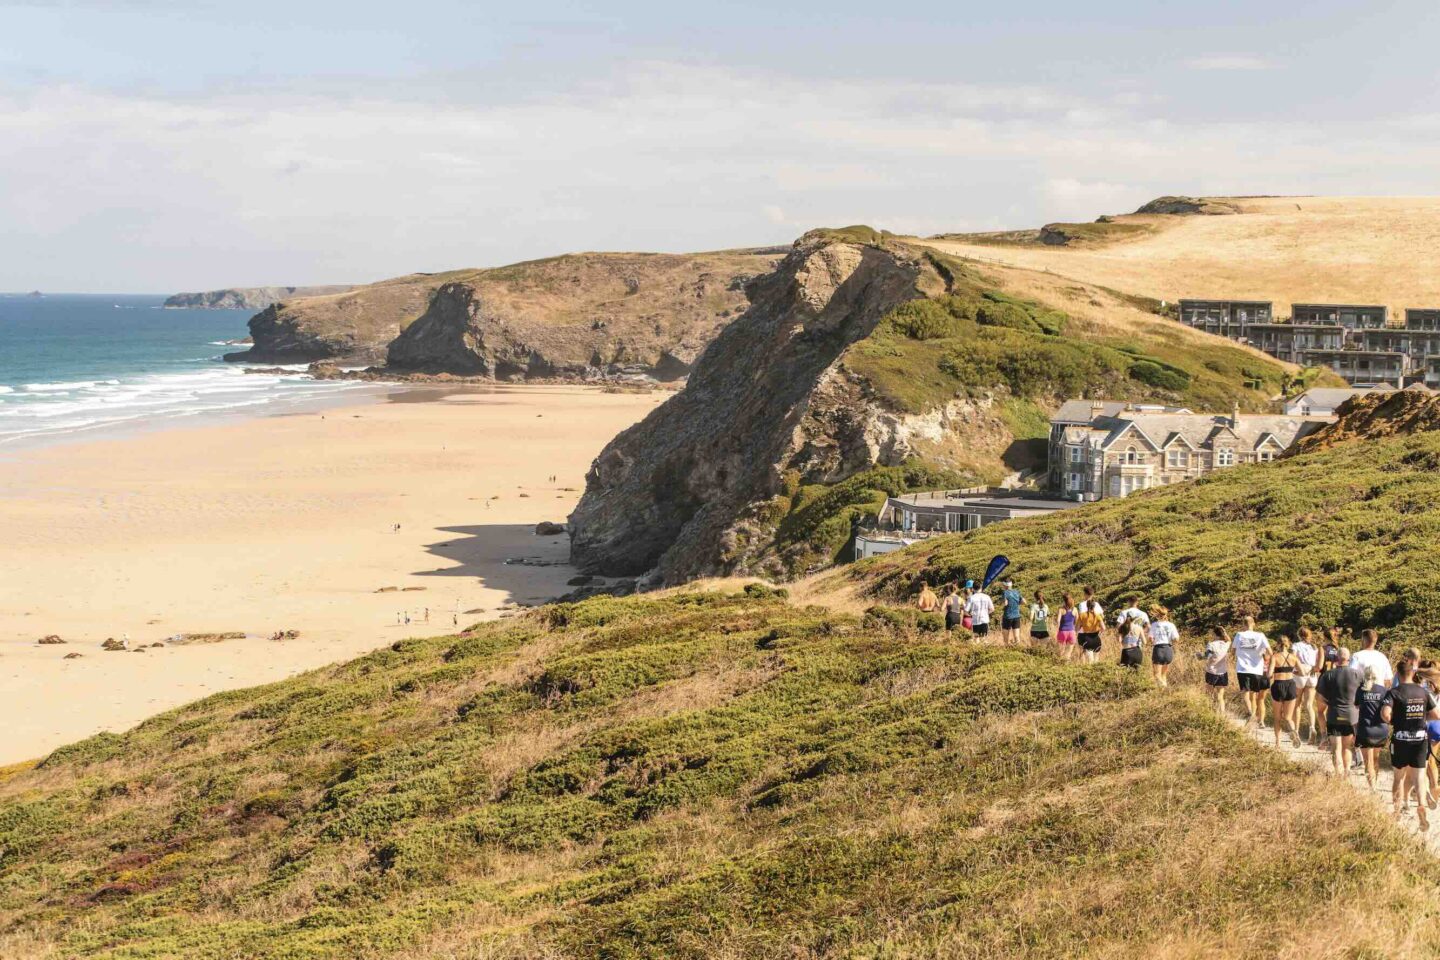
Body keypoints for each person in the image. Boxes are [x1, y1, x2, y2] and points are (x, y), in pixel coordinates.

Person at [1382, 658, 1440, 830]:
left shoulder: (1394, 692)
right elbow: (1436, 714)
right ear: (1413, 673)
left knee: (1398, 777)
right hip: (1420, 739)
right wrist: (1422, 718)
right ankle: (1421, 804)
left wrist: (1394, 719)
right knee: (1419, 776)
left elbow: (1386, 714)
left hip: (1401, 739)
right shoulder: (1423, 692)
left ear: (1398, 674)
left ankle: (1397, 810)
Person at [1316, 647, 1361, 778]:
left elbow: (1319, 697)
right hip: (1351, 716)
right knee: (1347, 747)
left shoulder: (1328, 675)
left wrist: (1329, 702)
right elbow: (1364, 694)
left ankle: (1338, 774)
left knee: (1336, 748)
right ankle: (1347, 772)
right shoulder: (1357, 674)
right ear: (1349, 659)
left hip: (1334, 715)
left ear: (1336, 659)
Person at [1232, 616, 1273, 727]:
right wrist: (1264, 657)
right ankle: (1254, 717)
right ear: (1253, 624)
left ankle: (1251, 713)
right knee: (1254, 695)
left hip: (1242, 668)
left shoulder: (1239, 635)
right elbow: (1270, 651)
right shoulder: (1260, 635)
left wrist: (1240, 655)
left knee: (1245, 692)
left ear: (1243, 624)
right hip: (1257, 669)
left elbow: (1233, 650)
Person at [1355, 665, 1390, 792]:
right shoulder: (1383, 690)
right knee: (1375, 759)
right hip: (1381, 729)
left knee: (1368, 761)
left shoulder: (1361, 690)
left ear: (1364, 676)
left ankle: (1373, 788)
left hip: (1366, 729)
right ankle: (1375, 782)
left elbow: (1357, 706)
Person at [1269, 635, 1300, 748]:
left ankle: (1278, 743)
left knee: (1277, 717)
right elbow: (1301, 672)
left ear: (1277, 644)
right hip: (1290, 685)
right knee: (1288, 717)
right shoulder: (1293, 657)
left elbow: (1269, 674)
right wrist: (1291, 671)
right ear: (1288, 644)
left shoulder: (1275, 657)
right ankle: (1293, 731)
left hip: (1278, 685)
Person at [1293, 627, 1321, 743]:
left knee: (1297, 704)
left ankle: (1296, 732)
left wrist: (1296, 669)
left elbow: (1293, 657)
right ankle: (1312, 728)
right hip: (1312, 672)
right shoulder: (1314, 647)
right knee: (1309, 704)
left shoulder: (1296, 645)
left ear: (1299, 635)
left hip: (1300, 671)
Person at [1202, 627, 1232, 717]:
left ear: (1215, 634)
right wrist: (1224, 632)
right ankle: (1222, 714)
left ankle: (1210, 713)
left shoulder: (1211, 645)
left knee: (1209, 694)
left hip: (1211, 672)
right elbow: (1229, 640)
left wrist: (1199, 655)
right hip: (1222, 673)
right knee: (1220, 696)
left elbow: (1206, 657)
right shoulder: (1225, 644)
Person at [1148, 606, 1178, 688]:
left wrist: (1153, 641)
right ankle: (1163, 693)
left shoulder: (1154, 625)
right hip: (1168, 649)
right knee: (1163, 675)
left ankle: (1164, 687)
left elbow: (1150, 638)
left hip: (1158, 649)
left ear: (1157, 615)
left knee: (1156, 674)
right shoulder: (1171, 625)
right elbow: (1176, 639)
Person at [1075, 588, 1105, 665]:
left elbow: (1082, 620)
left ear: (1085, 594)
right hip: (1095, 634)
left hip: (1084, 633)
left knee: (1083, 653)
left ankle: (1083, 668)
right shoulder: (1097, 604)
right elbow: (1102, 616)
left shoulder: (1082, 604)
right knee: (1096, 660)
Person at [1055, 593, 1078, 663]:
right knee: (1068, 653)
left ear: (1064, 600)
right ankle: (1066, 666)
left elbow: (1058, 621)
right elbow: (1077, 621)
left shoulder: (1061, 609)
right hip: (1071, 632)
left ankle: (1060, 667)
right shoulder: (1075, 609)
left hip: (1062, 631)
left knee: (1060, 653)